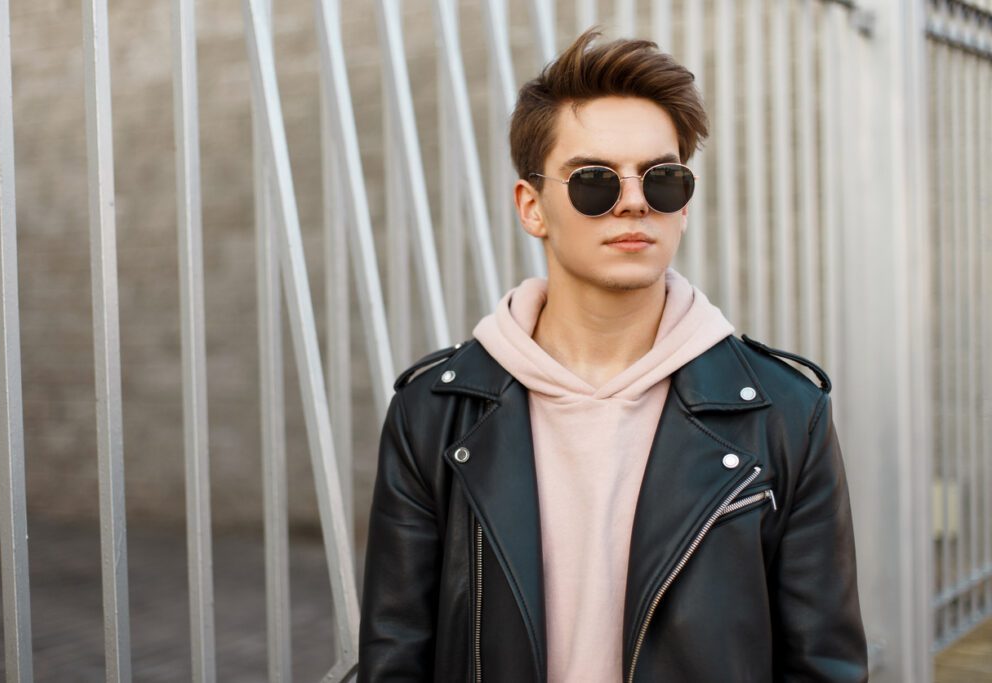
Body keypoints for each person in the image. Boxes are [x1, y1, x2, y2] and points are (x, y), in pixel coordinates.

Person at [358, 27, 868, 682]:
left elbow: (824, 664)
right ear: (532, 206)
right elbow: (396, 655)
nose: (633, 200)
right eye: (594, 180)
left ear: (683, 207)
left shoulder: (787, 414)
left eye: (663, 179)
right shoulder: (433, 414)